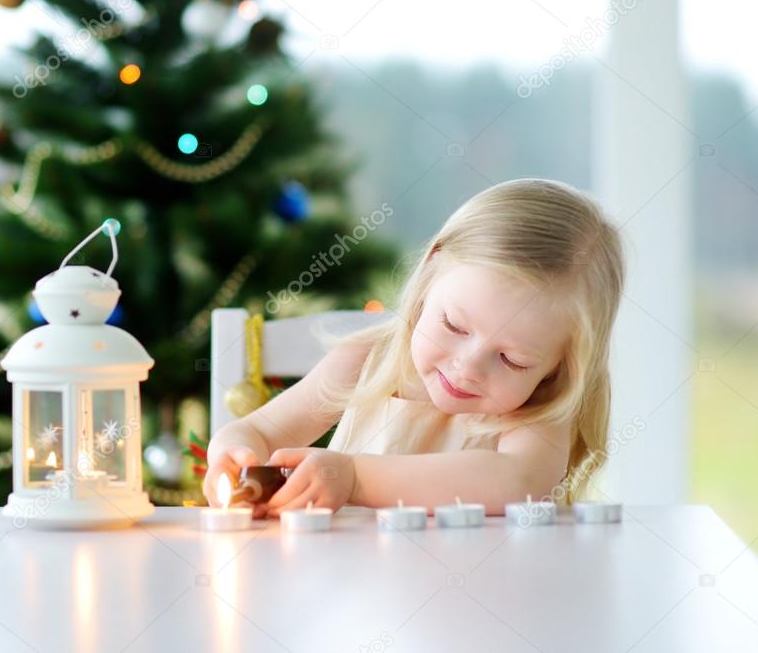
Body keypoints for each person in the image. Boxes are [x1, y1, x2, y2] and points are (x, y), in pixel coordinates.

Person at [205, 178, 625, 518]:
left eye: (512, 360)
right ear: (429, 274)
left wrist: (355, 479)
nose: (467, 367)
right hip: (352, 600)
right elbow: (257, 431)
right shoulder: (365, 361)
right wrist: (233, 457)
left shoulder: (537, 409)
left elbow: (520, 482)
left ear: (557, 369)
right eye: (454, 325)